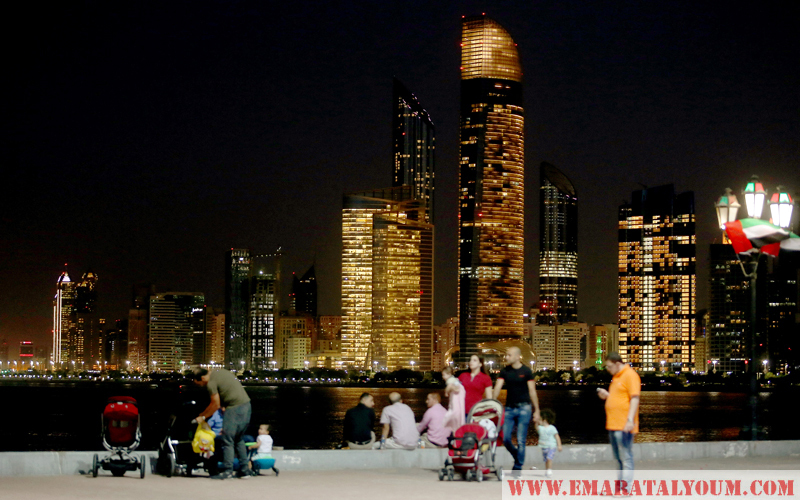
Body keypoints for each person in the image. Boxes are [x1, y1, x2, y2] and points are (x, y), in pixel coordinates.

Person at [193, 367, 253, 479]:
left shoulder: (211, 383)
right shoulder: (220, 371)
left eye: (199, 383)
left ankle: (227, 471)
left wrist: (203, 416)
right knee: (238, 438)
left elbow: (215, 404)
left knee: (227, 439)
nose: (201, 386)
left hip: (234, 408)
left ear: (202, 378)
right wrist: (204, 414)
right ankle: (245, 470)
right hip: (246, 405)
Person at [596, 352, 640, 492]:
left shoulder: (630, 375)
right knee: (618, 459)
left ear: (617, 363)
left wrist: (630, 420)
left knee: (626, 457)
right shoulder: (616, 377)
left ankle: (625, 489)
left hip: (624, 425)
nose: (608, 369)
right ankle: (620, 488)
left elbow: (634, 398)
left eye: (609, 366)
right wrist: (607, 396)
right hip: (613, 424)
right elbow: (620, 398)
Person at [493, 346, 540, 471]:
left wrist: (537, 410)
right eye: (506, 355)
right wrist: (492, 402)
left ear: (517, 356)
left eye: (509, 355)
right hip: (509, 409)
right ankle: (517, 456)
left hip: (524, 408)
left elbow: (532, 391)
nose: (506, 357)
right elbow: (497, 388)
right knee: (506, 438)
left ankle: (518, 467)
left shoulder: (526, 371)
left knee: (521, 440)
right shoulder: (505, 371)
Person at [534, 409, 562, 476]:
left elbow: (557, 437)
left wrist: (559, 445)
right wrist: (536, 421)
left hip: (551, 446)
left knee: (549, 458)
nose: (539, 421)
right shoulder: (540, 428)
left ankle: (549, 470)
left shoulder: (552, 428)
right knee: (546, 459)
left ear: (545, 420)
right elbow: (536, 428)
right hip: (544, 447)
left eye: (540, 419)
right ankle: (547, 470)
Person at [442, 366, 465, 434]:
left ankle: (449, 425)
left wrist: (446, 392)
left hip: (457, 391)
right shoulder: (454, 379)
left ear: (449, 374)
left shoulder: (449, 380)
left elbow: (449, 386)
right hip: (460, 390)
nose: (443, 377)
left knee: (454, 409)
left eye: (444, 375)